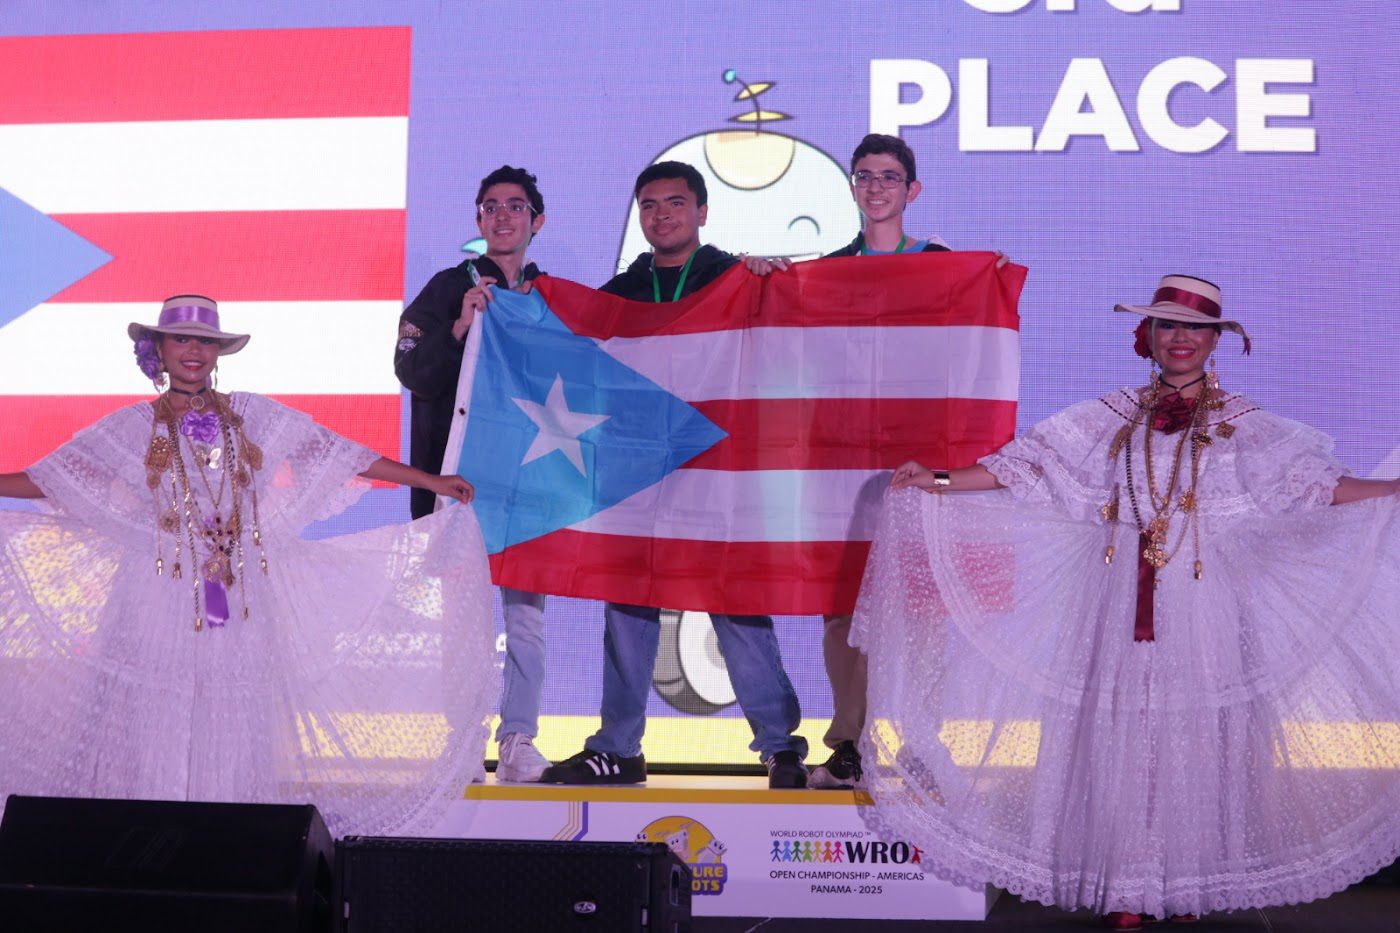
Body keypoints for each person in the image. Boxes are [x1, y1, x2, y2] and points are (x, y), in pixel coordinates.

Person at [851, 275, 1399, 928]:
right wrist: (939, 479)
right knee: (1124, 734)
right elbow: (1028, 469)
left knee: (1199, 738)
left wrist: (1390, 490)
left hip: (1203, 605)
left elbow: (1315, 486)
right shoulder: (1110, 417)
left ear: (1214, 341)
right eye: (1168, 325)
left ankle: (1188, 883)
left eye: (1195, 328)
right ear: (1149, 336)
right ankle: (1128, 886)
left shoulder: (1244, 425)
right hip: (1121, 603)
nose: (1180, 338)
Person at [0, 295, 496, 838]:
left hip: (234, 597)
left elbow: (341, 455)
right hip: (156, 597)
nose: (194, 351)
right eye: (181, 339)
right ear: (159, 350)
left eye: (206, 341)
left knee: (231, 718)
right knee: (154, 717)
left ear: (219, 353)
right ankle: (150, 850)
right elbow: (50, 479)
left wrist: (430, 481)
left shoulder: (254, 416)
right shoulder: (130, 426)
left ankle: (221, 848)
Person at [539, 161, 811, 789]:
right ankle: (618, 748)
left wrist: (769, 281)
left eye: (675, 203)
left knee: (734, 600)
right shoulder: (620, 292)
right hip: (638, 469)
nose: (662, 216)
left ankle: (780, 747)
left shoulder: (733, 277)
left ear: (702, 212)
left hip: (716, 465)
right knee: (628, 604)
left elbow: (789, 337)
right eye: (650, 205)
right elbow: (574, 354)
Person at [395, 166, 553, 783]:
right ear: (478, 219)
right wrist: (461, 327)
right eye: (490, 206)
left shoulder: (551, 297)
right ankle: (463, 741)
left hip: (530, 486)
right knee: (462, 623)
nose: (502, 215)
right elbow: (412, 372)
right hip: (458, 485)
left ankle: (518, 740)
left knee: (527, 623)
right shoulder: (445, 288)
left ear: (538, 221)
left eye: (515, 206)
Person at [809, 133, 951, 791]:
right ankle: (849, 740)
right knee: (843, 606)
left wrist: (992, 278)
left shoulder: (946, 265)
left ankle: (922, 742)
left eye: (889, 177)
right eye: (864, 176)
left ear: (912, 190)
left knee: (922, 605)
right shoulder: (827, 271)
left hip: (917, 455)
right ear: (852, 186)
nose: (876, 187)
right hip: (844, 458)